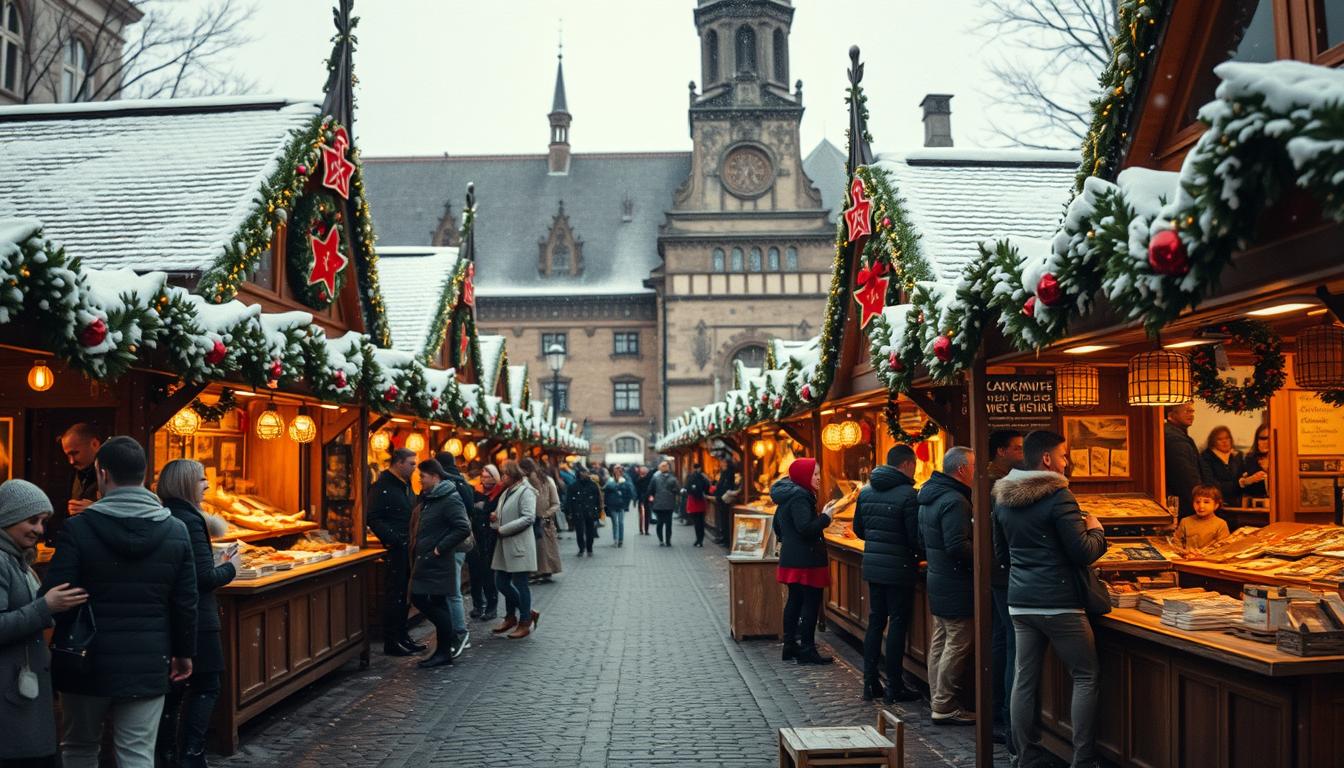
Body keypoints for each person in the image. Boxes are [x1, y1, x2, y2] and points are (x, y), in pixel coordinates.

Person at [43, 436, 197, 768]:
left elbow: (57, 593)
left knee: (79, 747)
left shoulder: (77, 529)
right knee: (137, 752)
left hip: (84, 658)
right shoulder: (176, 530)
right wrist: (184, 653)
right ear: (144, 475)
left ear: (102, 473)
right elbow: (186, 602)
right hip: (149, 657)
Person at [992, 430, 1108, 768]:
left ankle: (1022, 755)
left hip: (1020, 600)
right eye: (1063, 455)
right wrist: (1097, 530)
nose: (1066, 461)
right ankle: (1083, 760)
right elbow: (1082, 552)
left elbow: (1003, 554)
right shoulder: (1060, 497)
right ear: (1047, 459)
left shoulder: (1003, 497)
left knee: (1023, 678)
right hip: (1060, 602)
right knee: (1086, 676)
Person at [156, 460, 240, 768]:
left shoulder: (166, 514)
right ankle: (191, 755)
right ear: (186, 483)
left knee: (174, 691)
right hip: (198, 619)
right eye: (201, 479)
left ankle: (167, 754)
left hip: (172, 618)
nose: (206, 484)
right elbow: (203, 578)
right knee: (206, 685)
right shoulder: (191, 520)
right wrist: (231, 567)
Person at [1, 480, 87, 768]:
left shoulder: (18, 559)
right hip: (9, 700)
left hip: (19, 695)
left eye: (43, 521)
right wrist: (46, 607)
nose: (39, 529)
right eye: (32, 520)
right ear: (9, 516)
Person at [853, 445, 923, 704]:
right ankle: (894, 686)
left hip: (873, 566)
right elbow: (915, 537)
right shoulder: (909, 495)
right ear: (907, 464)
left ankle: (870, 681)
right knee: (897, 624)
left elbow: (859, 529)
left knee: (875, 622)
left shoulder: (867, 492)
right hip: (900, 568)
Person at [918, 446, 977, 726]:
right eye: (975, 466)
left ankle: (937, 699)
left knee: (941, 640)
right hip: (955, 581)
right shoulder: (955, 500)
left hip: (939, 577)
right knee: (957, 641)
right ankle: (944, 703)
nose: (978, 473)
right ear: (962, 469)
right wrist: (983, 556)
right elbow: (957, 546)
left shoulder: (931, 495)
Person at [771, 458, 834, 665]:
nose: (818, 478)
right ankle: (807, 648)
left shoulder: (788, 494)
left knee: (795, 600)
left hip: (793, 556)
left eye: (818, 474)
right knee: (810, 603)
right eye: (814, 474)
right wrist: (825, 517)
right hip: (806, 559)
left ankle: (790, 646)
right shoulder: (800, 496)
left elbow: (778, 526)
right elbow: (806, 528)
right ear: (804, 476)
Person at [410, 459, 471, 668]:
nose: (420, 480)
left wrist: (439, 548)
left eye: (423, 477)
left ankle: (446, 647)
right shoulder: (431, 498)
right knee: (437, 603)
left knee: (420, 598)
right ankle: (444, 649)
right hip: (427, 560)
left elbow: (462, 527)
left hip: (437, 561)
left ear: (435, 476)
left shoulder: (449, 498)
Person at [987, 430, 1023, 746]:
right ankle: (1008, 719)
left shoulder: (997, 481)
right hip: (1004, 575)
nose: (1021, 453)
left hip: (996, 573)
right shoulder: (998, 485)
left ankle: (998, 712)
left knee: (1002, 639)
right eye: (1017, 448)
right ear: (1001, 452)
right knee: (1010, 643)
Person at [367, 448, 421, 656]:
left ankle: (402, 635)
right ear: (399, 463)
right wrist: (393, 540)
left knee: (405, 595)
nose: (414, 467)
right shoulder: (381, 487)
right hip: (397, 549)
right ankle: (392, 640)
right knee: (395, 594)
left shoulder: (405, 485)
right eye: (411, 463)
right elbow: (373, 517)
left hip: (408, 547)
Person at [490, 461, 540, 639]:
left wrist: (503, 529)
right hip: (504, 545)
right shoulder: (507, 491)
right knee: (501, 582)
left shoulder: (526, 492)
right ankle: (515, 616)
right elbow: (502, 514)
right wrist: (495, 518)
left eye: (504, 474)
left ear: (512, 475)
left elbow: (528, 517)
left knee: (520, 584)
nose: (501, 477)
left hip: (518, 544)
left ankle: (525, 621)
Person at [434, 451, 476, 642]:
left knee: (452, 591)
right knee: (452, 590)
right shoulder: (463, 483)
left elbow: (460, 523)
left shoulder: (448, 488)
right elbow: (471, 509)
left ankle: (459, 632)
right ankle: (453, 631)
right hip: (457, 544)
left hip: (451, 544)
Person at [50, 423, 102, 544]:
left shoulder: (116, 470)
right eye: (68, 455)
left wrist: (98, 509)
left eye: (75, 453)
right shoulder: (74, 473)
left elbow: (132, 512)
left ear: (95, 444)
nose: (71, 461)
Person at [520, 457, 563, 580]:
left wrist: (544, 514)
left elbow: (556, 503)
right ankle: (540, 571)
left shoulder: (545, 481)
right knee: (540, 548)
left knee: (544, 548)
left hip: (542, 521)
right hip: (536, 520)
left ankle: (543, 571)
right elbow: (556, 503)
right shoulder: (525, 483)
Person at [469, 465, 502, 620]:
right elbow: (472, 508)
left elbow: (493, 511)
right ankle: (477, 605)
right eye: (483, 476)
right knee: (474, 573)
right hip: (475, 535)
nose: (484, 480)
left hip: (491, 536)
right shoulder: (476, 491)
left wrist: (483, 508)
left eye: (488, 477)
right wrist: (482, 509)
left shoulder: (499, 492)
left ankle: (491, 607)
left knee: (488, 574)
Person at [1163, 402, 1205, 517]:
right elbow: (1185, 475)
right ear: (1171, 415)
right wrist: (1200, 499)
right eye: (1187, 411)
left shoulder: (1176, 434)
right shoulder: (1174, 438)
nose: (1191, 415)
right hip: (1183, 504)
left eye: (1192, 411)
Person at [1173, 484, 1232, 554]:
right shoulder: (1185, 521)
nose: (1201, 506)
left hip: (1209, 562)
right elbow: (1176, 543)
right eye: (1197, 502)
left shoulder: (1221, 524)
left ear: (1216, 505)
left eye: (1206, 502)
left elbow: (1224, 548)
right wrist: (1184, 552)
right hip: (1187, 561)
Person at [1201, 425, 1249, 508]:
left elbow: (1243, 477)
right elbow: (1210, 483)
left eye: (1227, 438)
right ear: (1213, 442)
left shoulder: (1237, 456)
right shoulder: (1206, 457)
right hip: (1216, 503)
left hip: (1238, 503)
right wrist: (1239, 484)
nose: (1224, 442)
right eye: (1220, 439)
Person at [565, 464, 602, 556]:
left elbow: (597, 499)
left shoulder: (593, 485)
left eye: (586, 472)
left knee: (590, 532)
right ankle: (581, 548)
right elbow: (568, 499)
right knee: (579, 532)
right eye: (583, 472)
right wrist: (568, 511)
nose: (585, 474)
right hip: (578, 512)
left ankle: (589, 549)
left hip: (590, 511)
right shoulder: (573, 486)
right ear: (579, 473)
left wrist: (598, 511)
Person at [649, 460, 681, 547]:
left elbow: (650, 490)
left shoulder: (655, 478)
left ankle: (661, 540)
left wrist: (652, 499)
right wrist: (672, 492)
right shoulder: (673, 478)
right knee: (668, 523)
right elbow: (678, 490)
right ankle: (668, 541)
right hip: (669, 504)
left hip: (659, 504)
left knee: (660, 523)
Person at [602, 464, 632, 547]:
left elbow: (629, 491)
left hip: (621, 504)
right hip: (612, 504)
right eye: (616, 470)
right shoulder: (610, 480)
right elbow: (605, 489)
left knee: (620, 523)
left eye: (619, 470)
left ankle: (620, 540)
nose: (618, 471)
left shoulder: (625, 480)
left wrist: (626, 503)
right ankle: (616, 539)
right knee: (615, 522)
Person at [684, 463, 712, 547]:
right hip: (701, 501)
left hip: (693, 502)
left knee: (696, 522)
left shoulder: (690, 477)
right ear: (699, 468)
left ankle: (698, 539)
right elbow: (707, 487)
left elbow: (687, 488)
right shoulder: (703, 477)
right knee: (701, 522)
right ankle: (700, 539)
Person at [713, 456, 739, 546]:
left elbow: (729, 486)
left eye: (724, 462)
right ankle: (724, 538)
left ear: (728, 463)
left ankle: (727, 540)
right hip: (721, 499)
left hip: (726, 500)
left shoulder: (730, 473)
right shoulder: (723, 473)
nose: (722, 464)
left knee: (726, 521)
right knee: (722, 521)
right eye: (722, 462)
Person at [1242, 424, 1271, 500]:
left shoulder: (1281, 459)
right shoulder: (1249, 459)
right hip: (1255, 504)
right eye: (1263, 438)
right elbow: (1241, 484)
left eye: (1269, 438)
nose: (1266, 442)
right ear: (1257, 440)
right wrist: (1250, 480)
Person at [633, 465, 653, 536]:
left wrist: (635, 500)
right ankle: (645, 530)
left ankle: (642, 530)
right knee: (646, 515)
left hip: (642, 499)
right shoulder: (648, 478)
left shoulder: (638, 479)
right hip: (645, 499)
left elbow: (636, 491)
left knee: (643, 515)